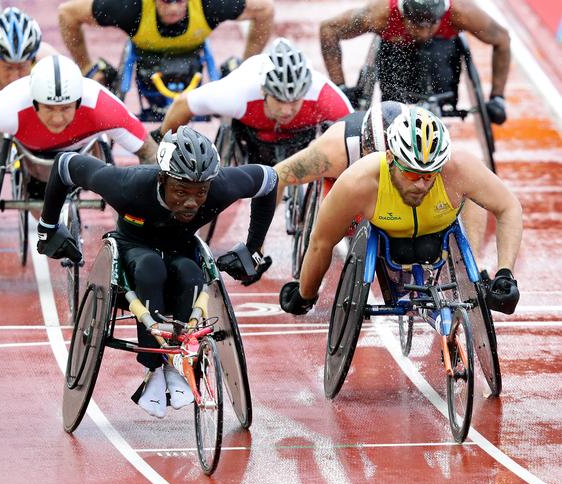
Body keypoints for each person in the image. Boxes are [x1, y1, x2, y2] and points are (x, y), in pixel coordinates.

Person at [36, 125, 278, 418]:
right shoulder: (127, 185)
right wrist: (47, 228)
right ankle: (154, 367)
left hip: (182, 252)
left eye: (200, 193)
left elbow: (269, 179)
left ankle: (178, 359)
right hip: (133, 253)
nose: (191, 202)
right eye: (180, 191)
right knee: (151, 268)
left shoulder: (221, 187)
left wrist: (252, 248)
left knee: (191, 274)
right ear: (162, 179)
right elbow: (65, 166)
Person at [279, 107, 521, 317]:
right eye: (412, 174)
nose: (421, 185)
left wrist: (505, 273)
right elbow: (321, 242)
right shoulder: (357, 180)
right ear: (390, 158)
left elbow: (508, 207)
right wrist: (305, 294)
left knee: (472, 197)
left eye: (429, 175)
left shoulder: (458, 168)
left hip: (437, 234)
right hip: (388, 237)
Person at [0, 55, 157, 192]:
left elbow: (148, 151)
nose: (57, 119)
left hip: (83, 157)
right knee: (40, 208)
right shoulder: (10, 106)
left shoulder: (102, 106)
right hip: (33, 158)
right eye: (49, 108)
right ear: (34, 103)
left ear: (79, 102)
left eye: (65, 108)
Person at [154, 37, 354, 166]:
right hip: (252, 138)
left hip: (301, 140)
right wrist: (161, 148)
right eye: (278, 99)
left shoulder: (324, 96)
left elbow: (355, 136)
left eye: (294, 101)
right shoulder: (238, 93)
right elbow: (183, 104)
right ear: (263, 91)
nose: (286, 109)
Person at [319, 0, 510, 124]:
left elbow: (502, 39)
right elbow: (328, 29)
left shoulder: (462, 12)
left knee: (437, 52)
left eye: (430, 25)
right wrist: (340, 88)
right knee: (394, 102)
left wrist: (497, 97)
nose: (424, 32)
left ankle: (439, 102)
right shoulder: (379, 14)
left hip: (442, 52)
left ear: (442, 15)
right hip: (395, 51)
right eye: (417, 25)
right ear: (403, 14)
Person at [57, 0, 274, 85]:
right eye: (165, 1)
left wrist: (247, 65)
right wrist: (86, 67)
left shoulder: (210, 4)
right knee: (96, 80)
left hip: (193, 53)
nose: (172, 9)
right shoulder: (129, 8)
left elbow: (265, 9)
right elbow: (67, 13)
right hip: (144, 55)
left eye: (179, 1)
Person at [274, 100, 406, 204]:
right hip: (341, 154)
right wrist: (257, 238)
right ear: (364, 147)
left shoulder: (423, 154)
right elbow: (277, 177)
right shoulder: (332, 153)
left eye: (392, 163)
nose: (381, 169)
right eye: (376, 159)